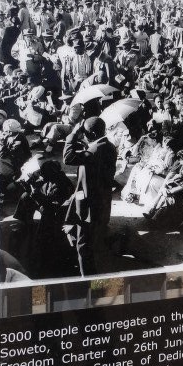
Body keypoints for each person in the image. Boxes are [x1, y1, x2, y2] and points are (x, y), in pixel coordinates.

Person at [63, 116, 117, 276]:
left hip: (89, 207)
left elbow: (68, 158)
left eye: (84, 133)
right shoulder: (108, 145)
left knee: (83, 245)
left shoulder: (93, 151)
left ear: (91, 134)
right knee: (94, 240)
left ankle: (87, 279)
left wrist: (72, 135)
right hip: (102, 201)